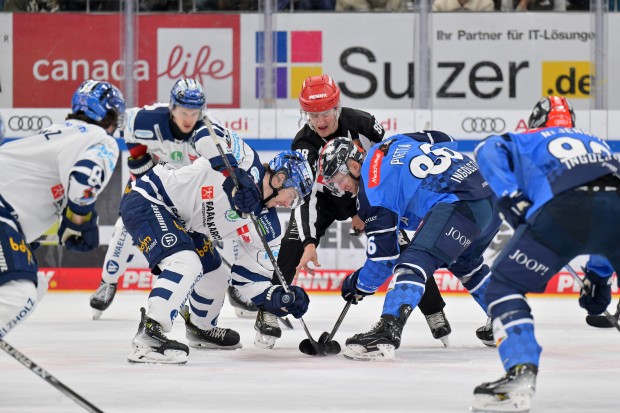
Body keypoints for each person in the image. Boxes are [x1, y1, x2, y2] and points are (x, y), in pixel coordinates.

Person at [262, 74, 454, 349]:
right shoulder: (303, 145)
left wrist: (365, 207)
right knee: (293, 240)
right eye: (312, 115)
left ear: (337, 108)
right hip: (324, 199)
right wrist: (309, 241)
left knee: (401, 245)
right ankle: (268, 309)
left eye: (325, 113)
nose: (320, 121)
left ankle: (434, 311)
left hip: (363, 191)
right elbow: (307, 197)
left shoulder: (363, 124)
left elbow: (387, 166)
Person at [470, 96, 620, 412]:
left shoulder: (529, 138)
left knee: (503, 287)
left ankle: (520, 372)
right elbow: (607, 212)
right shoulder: (599, 144)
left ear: (536, 123)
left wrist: (510, 194)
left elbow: (486, 149)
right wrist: (599, 278)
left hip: (564, 209)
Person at [122, 135, 314, 364]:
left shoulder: (268, 226)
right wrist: (233, 174)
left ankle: (200, 328)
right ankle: (149, 336)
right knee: (186, 263)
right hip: (149, 198)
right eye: (291, 197)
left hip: (183, 225)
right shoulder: (245, 158)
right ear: (280, 179)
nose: (288, 205)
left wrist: (278, 298)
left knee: (216, 275)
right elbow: (203, 132)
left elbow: (249, 278)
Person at [318, 131, 502, 360]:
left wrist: (357, 284)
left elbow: (383, 260)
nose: (340, 189)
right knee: (466, 264)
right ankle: (505, 318)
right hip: (491, 198)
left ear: (354, 166)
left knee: (413, 262)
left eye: (338, 180)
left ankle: (387, 331)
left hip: (460, 203)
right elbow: (446, 139)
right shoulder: (392, 142)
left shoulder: (373, 191)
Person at [0, 80, 125, 338]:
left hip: (7, 218)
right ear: (109, 116)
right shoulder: (99, 138)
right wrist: (81, 220)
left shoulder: (54, 133)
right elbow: (82, 183)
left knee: (36, 284)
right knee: (20, 294)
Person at [90, 78, 219, 319]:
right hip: (150, 185)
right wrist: (139, 159)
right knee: (124, 228)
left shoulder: (210, 130)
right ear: (172, 108)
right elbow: (126, 127)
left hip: (186, 195)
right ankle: (108, 281)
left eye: (194, 112)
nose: (189, 118)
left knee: (215, 231)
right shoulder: (145, 118)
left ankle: (236, 289)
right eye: (183, 112)